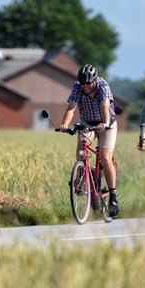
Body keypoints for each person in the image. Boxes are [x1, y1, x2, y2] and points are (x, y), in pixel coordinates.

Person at [59, 64, 120, 218]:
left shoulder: (102, 85)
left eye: (88, 84)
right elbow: (71, 108)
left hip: (107, 124)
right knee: (82, 144)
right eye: (83, 84)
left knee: (105, 156)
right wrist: (65, 124)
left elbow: (105, 106)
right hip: (87, 122)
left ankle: (113, 196)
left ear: (94, 81)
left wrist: (105, 124)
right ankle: (82, 174)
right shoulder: (77, 87)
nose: (85, 87)